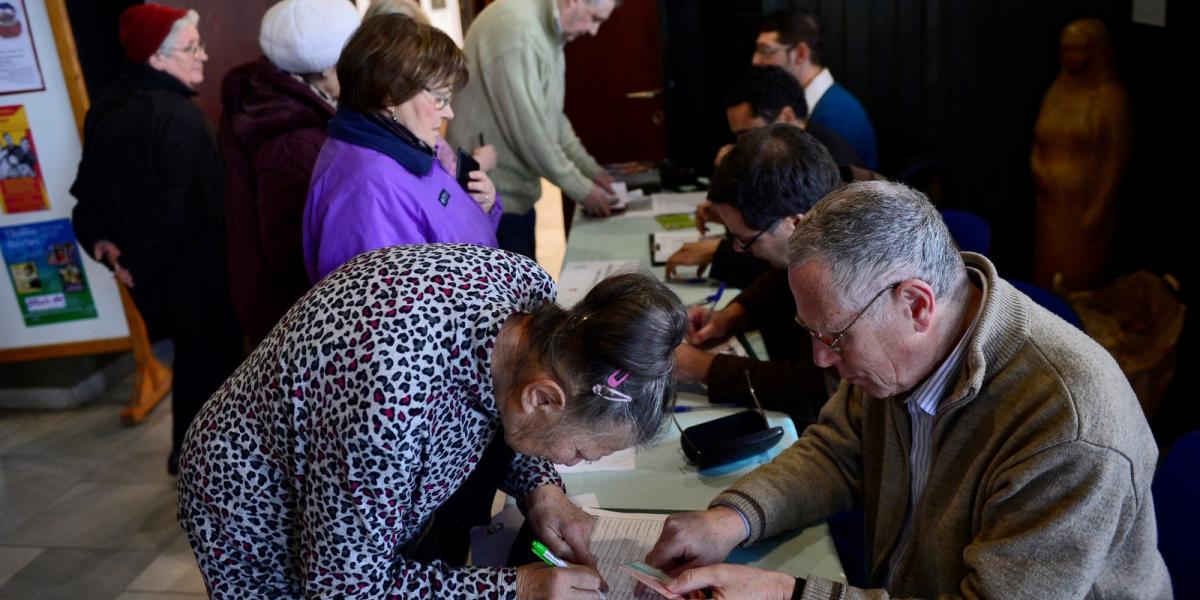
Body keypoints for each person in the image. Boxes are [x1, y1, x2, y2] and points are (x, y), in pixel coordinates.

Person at [646, 181, 1170, 599]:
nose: (821, 359)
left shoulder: (1069, 428)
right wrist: (731, 519)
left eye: (835, 337)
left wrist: (789, 593)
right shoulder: (903, 349)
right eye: (812, 333)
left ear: (916, 305)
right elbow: (837, 450)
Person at [178, 243, 686, 597]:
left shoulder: (533, 305)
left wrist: (543, 490)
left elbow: (500, 405)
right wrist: (518, 589)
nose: (574, 464)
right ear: (543, 399)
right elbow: (345, 588)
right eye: (578, 452)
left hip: (355, 485)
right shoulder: (391, 399)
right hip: (255, 502)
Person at [70, 4, 242, 475]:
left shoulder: (105, 104)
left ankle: (188, 458)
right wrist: (135, 262)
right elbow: (187, 215)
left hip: (153, 280)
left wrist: (102, 244)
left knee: (193, 364)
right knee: (212, 369)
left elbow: (87, 196)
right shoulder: (179, 120)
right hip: (195, 277)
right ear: (156, 58)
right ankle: (204, 467)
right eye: (191, 48)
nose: (203, 56)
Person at [303, 14, 500, 283]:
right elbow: (393, 313)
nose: (449, 113)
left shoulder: (403, 142)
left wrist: (481, 206)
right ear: (390, 95)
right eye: (440, 98)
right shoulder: (368, 190)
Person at [673, 124, 843, 427]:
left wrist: (704, 368)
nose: (736, 250)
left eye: (746, 240)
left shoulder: (849, 269)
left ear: (795, 223)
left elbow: (819, 392)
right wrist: (732, 315)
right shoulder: (826, 207)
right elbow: (783, 273)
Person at [220, 0, 360, 348]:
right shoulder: (292, 140)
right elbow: (292, 253)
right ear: (328, 69)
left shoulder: (279, 104)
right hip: (294, 321)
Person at [446, 0, 619, 260]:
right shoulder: (518, 30)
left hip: (512, 196)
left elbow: (552, 118)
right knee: (518, 297)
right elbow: (531, 132)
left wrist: (591, 170)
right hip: (492, 201)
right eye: (594, 18)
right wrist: (582, 190)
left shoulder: (549, 32)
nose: (593, 31)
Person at [753, 9, 878, 170]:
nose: (755, 60)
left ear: (800, 53)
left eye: (765, 50)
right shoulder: (820, 103)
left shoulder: (836, 115)